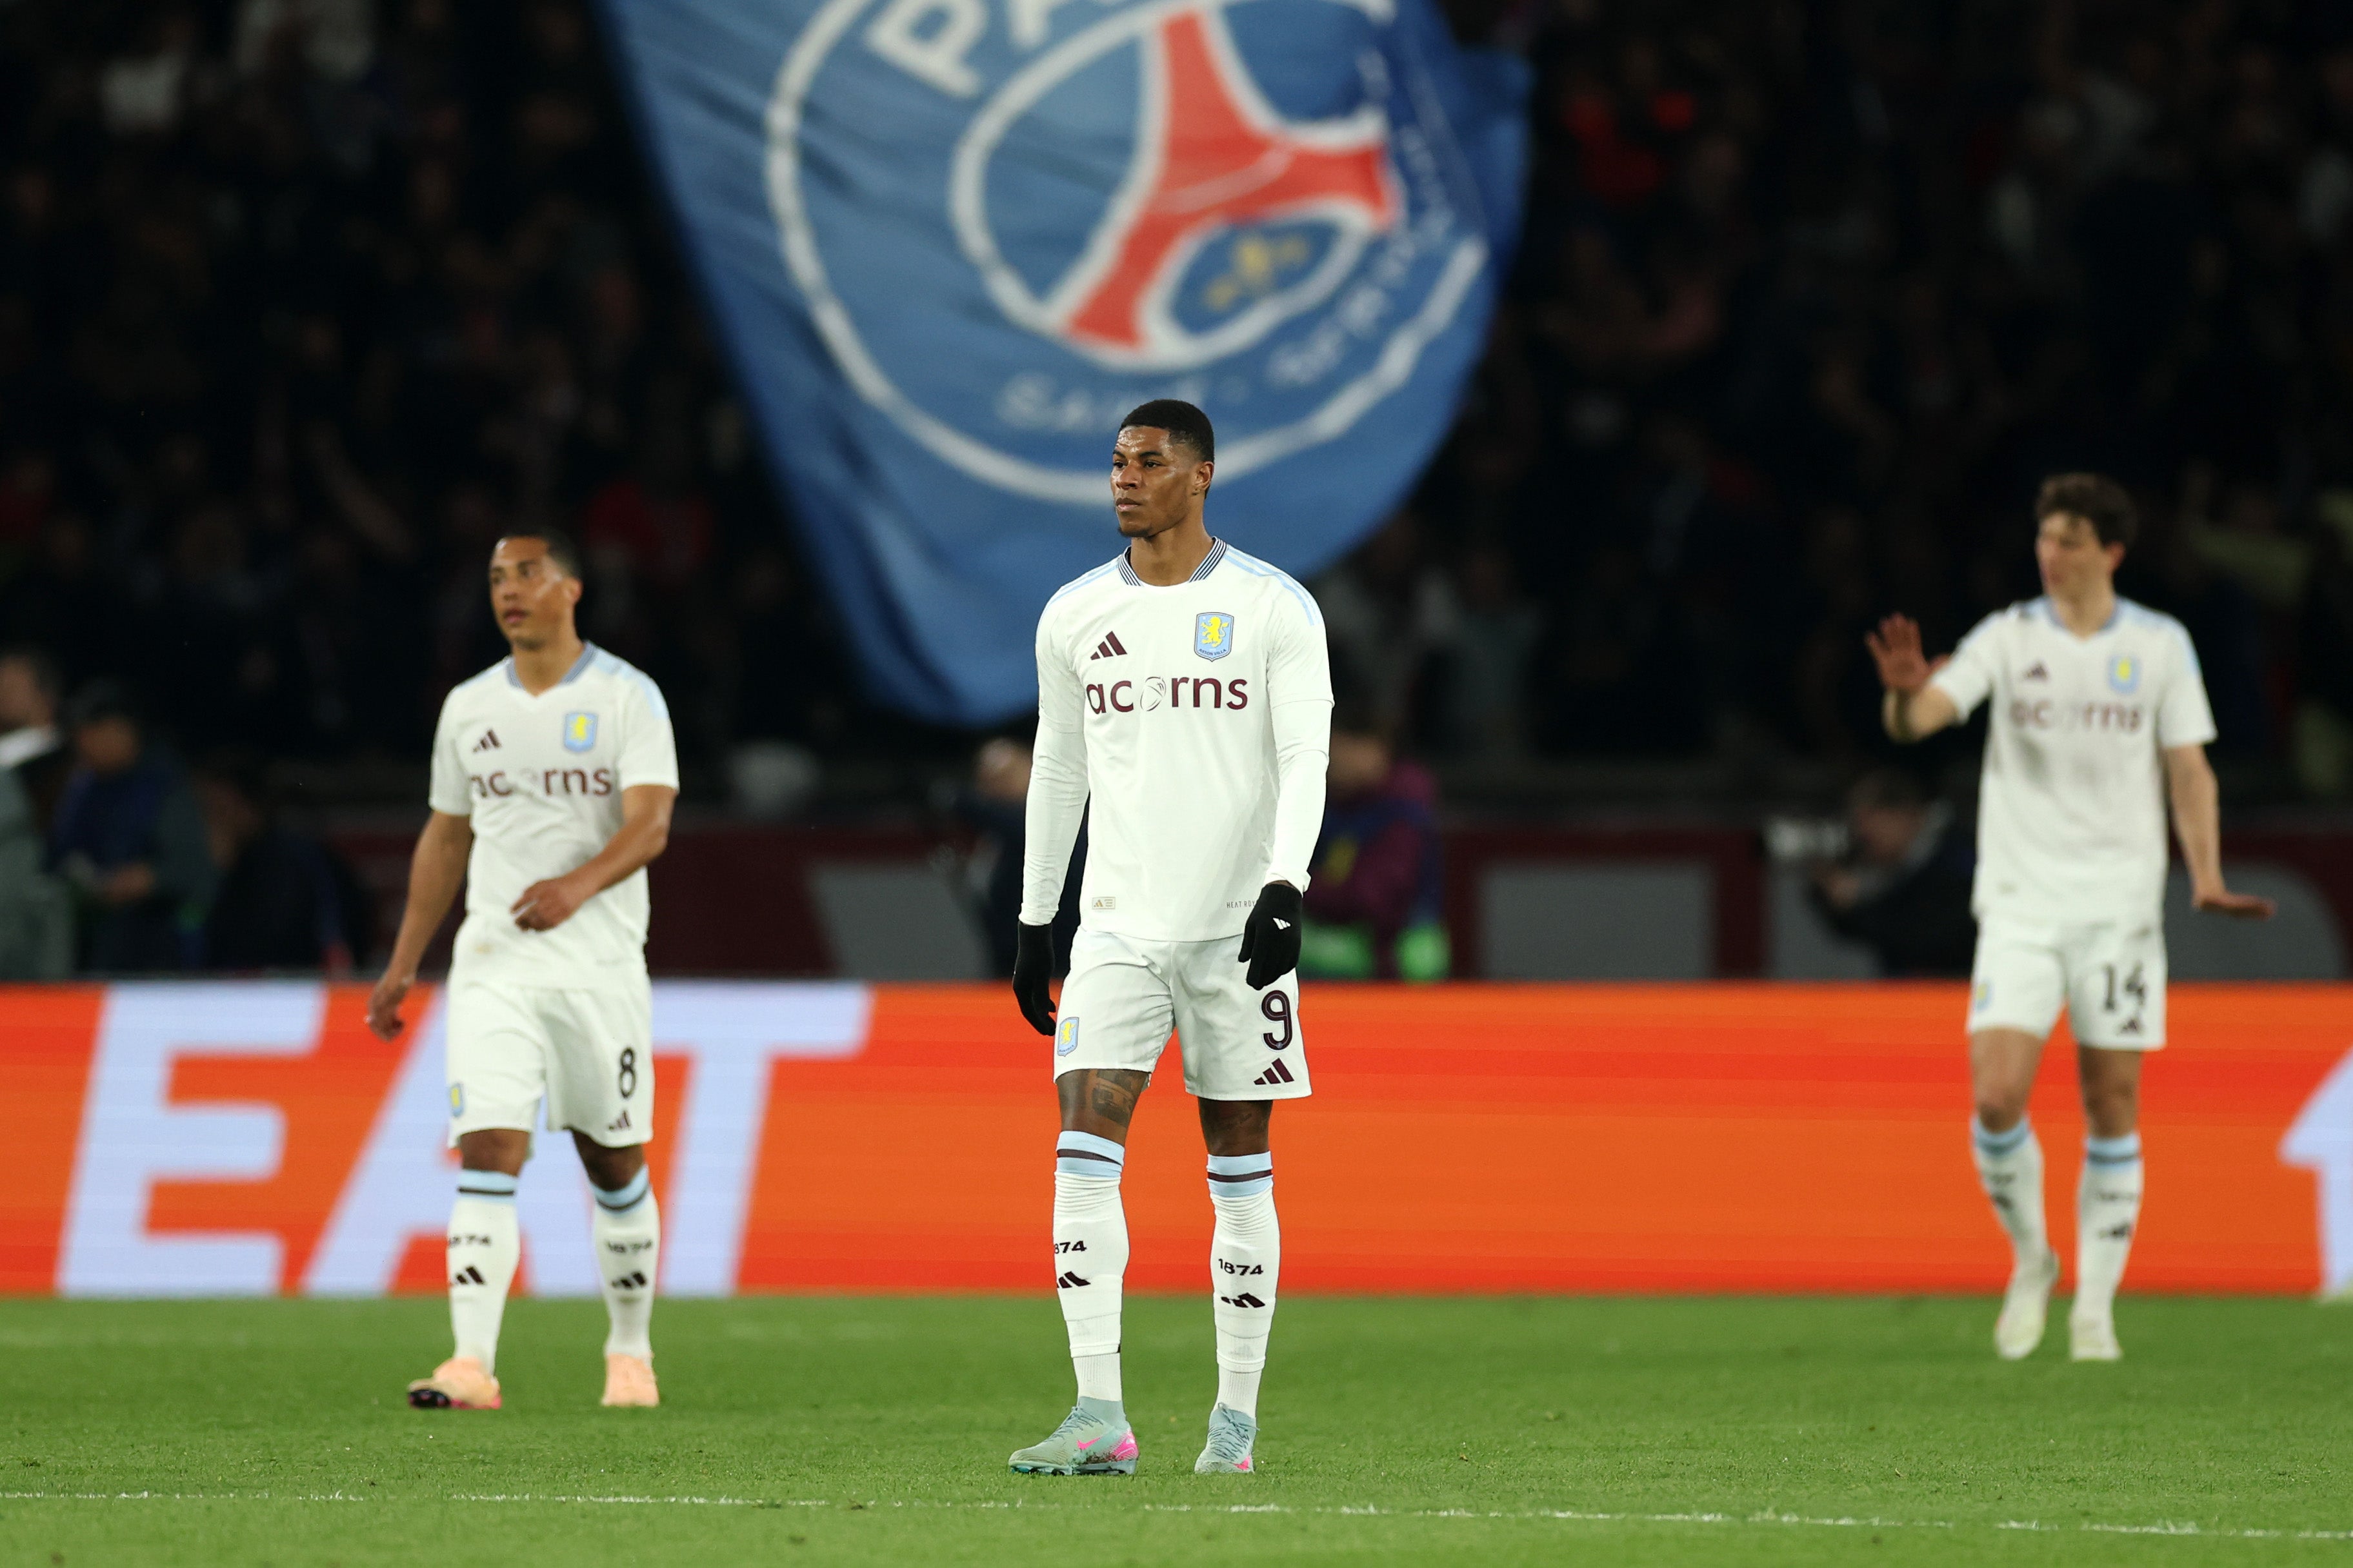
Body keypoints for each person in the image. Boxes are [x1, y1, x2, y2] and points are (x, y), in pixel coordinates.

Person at [1867, 473, 2273, 1363]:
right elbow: (1925, 714)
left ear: (2110, 552)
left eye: (2068, 540)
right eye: (2043, 538)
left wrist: (2202, 871)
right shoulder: (2008, 637)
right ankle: (2029, 1257)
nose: (2049, 554)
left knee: (2109, 1099)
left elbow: (2187, 769)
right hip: (2018, 903)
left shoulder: (2158, 645)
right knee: (1995, 1092)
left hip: (2116, 907)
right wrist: (1903, 697)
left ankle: (2094, 1306)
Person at [1008, 400, 1332, 1477]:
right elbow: (1058, 769)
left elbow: (1304, 761)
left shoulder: (1272, 608)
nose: (1122, 479)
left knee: (1238, 1164)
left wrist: (1285, 891)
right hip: (1116, 932)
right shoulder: (1072, 616)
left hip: (1238, 935)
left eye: (1147, 463)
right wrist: (1033, 917)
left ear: (1201, 477)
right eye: (1114, 463)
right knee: (1080, 1150)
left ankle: (1232, 1423)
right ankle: (1098, 1411)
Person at [366, 528, 679, 1413]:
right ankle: (470, 1362)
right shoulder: (468, 706)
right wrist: (401, 963)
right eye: (498, 576)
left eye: (528, 573)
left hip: (598, 967)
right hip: (494, 965)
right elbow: (446, 834)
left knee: (612, 1161)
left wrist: (576, 887)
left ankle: (628, 1350)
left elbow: (650, 824)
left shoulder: (627, 696)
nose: (509, 589)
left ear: (571, 586)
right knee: (488, 1146)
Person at [47, 682, 216, 972]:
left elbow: (196, 870)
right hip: (96, 943)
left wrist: (149, 878)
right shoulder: (84, 788)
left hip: (158, 946)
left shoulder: (162, 784)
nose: (83, 745)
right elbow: (59, 854)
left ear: (121, 730)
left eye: (91, 733)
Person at [1299, 715, 1448, 981]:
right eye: (1333, 748)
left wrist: (1296, 889)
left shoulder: (1402, 814)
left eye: (1351, 748)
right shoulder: (1326, 806)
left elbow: (1373, 898)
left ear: (1382, 750)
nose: (1339, 758)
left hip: (1397, 963)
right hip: (1347, 955)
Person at [195, 755, 372, 973]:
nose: (209, 821)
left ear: (243, 804)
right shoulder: (236, 862)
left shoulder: (295, 860)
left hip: (294, 988)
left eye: (216, 809)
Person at [1805, 768, 1976, 977]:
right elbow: (1858, 932)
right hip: (1907, 996)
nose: (1862, 834)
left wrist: (1859, 906)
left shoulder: (1958, 856)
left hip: (1957, 993)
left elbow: (1927, 939)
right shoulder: (1894, 867)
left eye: (1868, 818)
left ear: (1903, 814)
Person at [0, 647, 71, 833]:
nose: (3, 694)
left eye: (12, 687)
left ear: (46, 694)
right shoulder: (7, 747)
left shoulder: (62, 759)